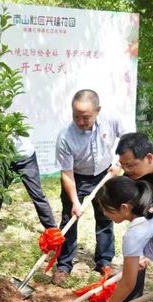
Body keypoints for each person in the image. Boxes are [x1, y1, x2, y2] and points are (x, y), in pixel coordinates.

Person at [52, 89, 125, 285]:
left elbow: (128, 139)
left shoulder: (111, 121)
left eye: (86, 117)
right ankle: (64, 264)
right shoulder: (66, 137)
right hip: (77, 177)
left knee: (105, 216)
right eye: (76, 116)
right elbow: (66, 174)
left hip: (104, 174)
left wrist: (119, 162)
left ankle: (104, 260)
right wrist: (75, 201)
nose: (81, 121)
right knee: (70, 219)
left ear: (97, 110)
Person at [0, 135, 57, 240]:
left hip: (25, 158)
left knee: (37, 194)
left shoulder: (12, 121)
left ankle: (52, 230)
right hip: (4, 160)